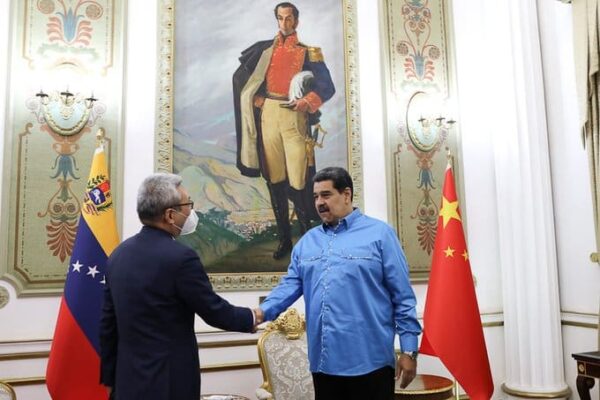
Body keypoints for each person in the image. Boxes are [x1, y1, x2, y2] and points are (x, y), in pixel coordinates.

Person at [258, 167, 422, 400]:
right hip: (324, 365)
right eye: (315, 197)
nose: (319, 202)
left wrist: (409, 351)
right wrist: (260, 312)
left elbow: (403, 297)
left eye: (326, 195)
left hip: (371, 364)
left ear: (346, 195)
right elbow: (289, 285)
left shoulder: (380, 235)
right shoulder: (307, 243)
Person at [99, 173, 263, 400]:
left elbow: (108, 325)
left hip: (127, 383)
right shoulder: (181, 258)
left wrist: (109, 379)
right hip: (170, 383)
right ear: (169, 215)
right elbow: (213, 311)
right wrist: (252, 317)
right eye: (188, 204)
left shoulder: (118, 255)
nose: (190, 212)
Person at [233, 2, 336, 260]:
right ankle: (284, 241)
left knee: (299, 181)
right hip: (269, 116)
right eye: (280, 18)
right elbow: (245, 80)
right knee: (275, 180)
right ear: (277, 20)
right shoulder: (264, 51)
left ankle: (307, 240)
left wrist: (307, 102)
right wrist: (256, 97)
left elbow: (327, 86)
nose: (285, 23)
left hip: (295, 118)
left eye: (289, 19)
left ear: (297, 21)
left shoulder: (310, 53)